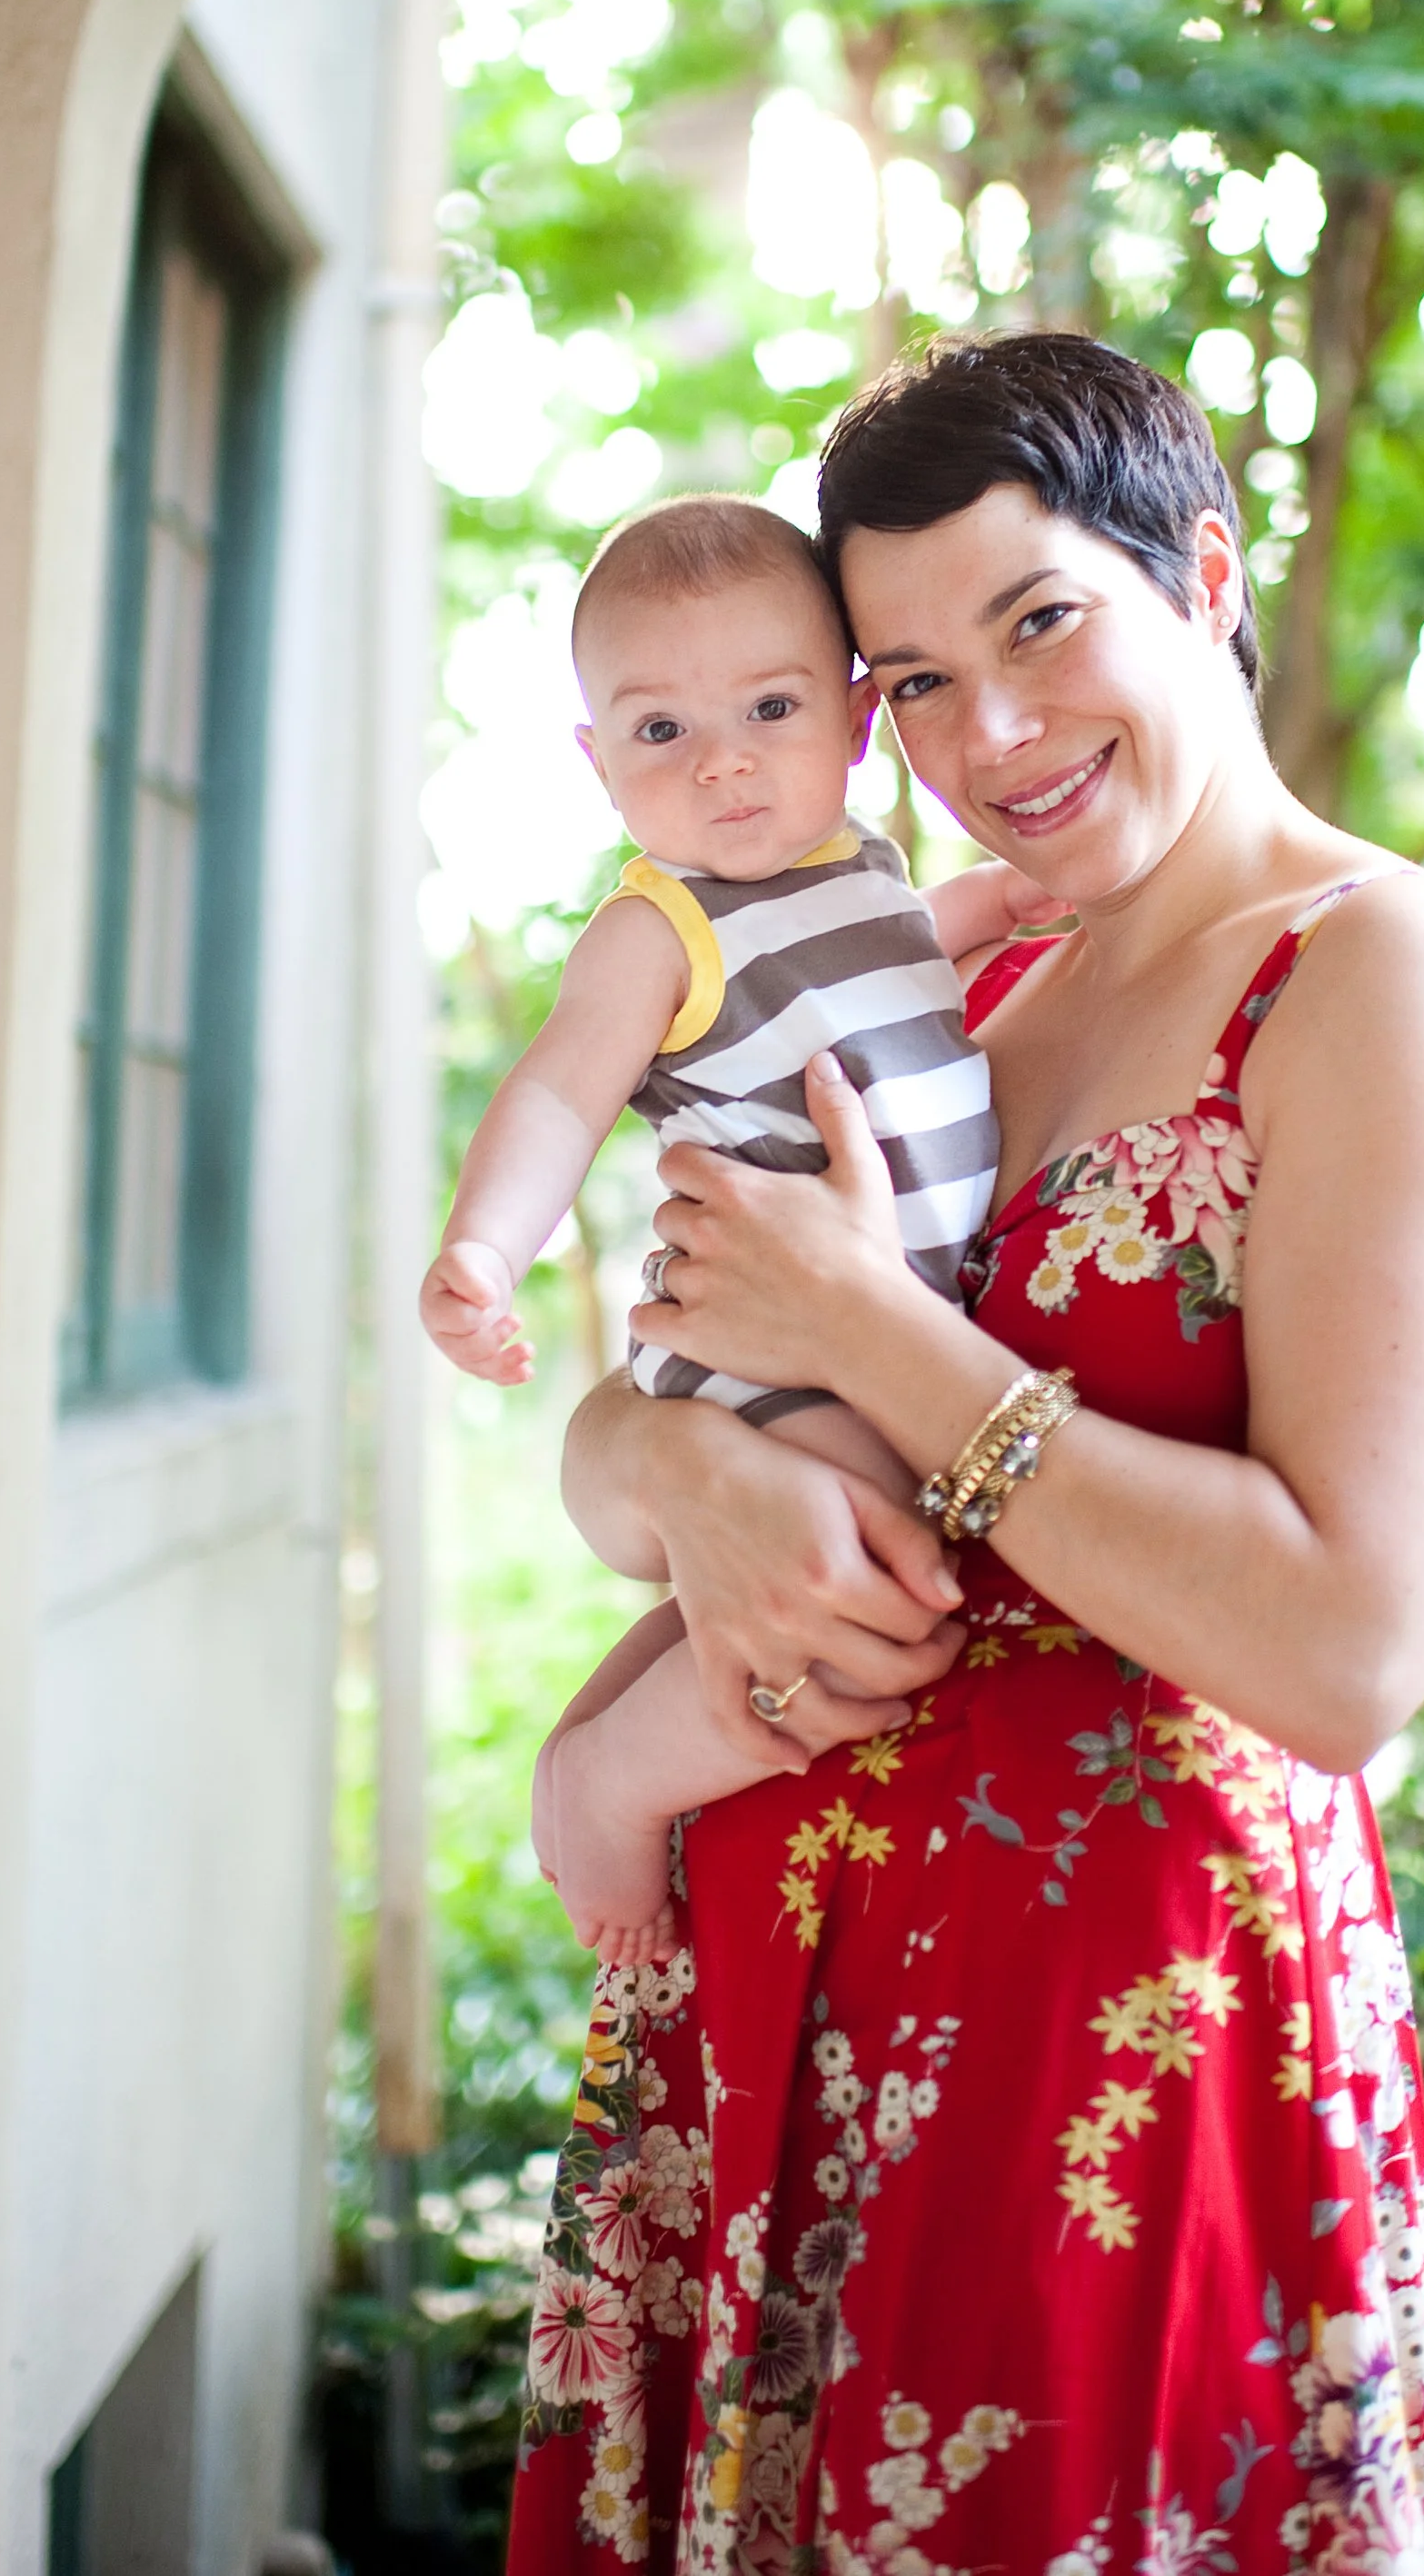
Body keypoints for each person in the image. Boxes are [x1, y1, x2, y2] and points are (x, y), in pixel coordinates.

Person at [504, 331, 1424, 2576]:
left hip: (1109, 2052)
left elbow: (1353, 1648)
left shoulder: (1382, 973)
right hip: (770, 2019)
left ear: (1195, 568)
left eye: (1039, 623)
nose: (985, 739)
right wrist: (663, 1470)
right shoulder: (937, 991)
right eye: (902, 681)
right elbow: (646, 1428)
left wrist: (877, 1335)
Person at [420, 496, 1061, 1964]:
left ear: (849, 722)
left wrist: (1010, 900)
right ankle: (612, 1787)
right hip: (777, 1359)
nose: (720, 759)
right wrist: (483, 1250)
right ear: (599, 764)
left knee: (813, 1577)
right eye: (659, 731)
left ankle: (602, 1736)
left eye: (769, 706)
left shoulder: (869, 872)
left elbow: (912, 955)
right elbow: (557, 1093)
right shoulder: (661, 928)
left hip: (870, 1332)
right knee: (867, 1578)